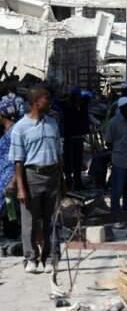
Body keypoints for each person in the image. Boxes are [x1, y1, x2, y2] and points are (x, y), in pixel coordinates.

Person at [9, 86, 63, 274]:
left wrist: (62, 181)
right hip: (32, 176)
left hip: (53, 175)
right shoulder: (20, 128)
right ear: (35, 102)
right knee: (30, 221)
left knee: (52, 221)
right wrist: (21, 188)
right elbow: (18, 161)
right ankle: (30, 258)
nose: (49, 101)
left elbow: (59, 153)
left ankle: (50, 258)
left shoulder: (52, 124)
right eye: (46, 98)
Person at [104, 97, 127, 215]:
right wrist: (117, 150)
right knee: (117, 188)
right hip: (119, 159)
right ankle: (115, 212)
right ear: (123, 109)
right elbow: (108, 141)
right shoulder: (113, 122)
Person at [61, 88, 90, 191]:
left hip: (78, 138)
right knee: (69, 162)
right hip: (69, 138)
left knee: (78, 162)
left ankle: (77, 182)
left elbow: (88, 97)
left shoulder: (82, 107)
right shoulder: (67, 107)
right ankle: (69, 182)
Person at [0, 98, 19, 239]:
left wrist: (13, 180)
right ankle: (10, 232)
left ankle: (12, 233)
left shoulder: (14, 132)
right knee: (8, 207)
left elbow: (19, 158)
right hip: (5, 173)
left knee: (9, 206)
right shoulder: (9, 130)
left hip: (9, 175)